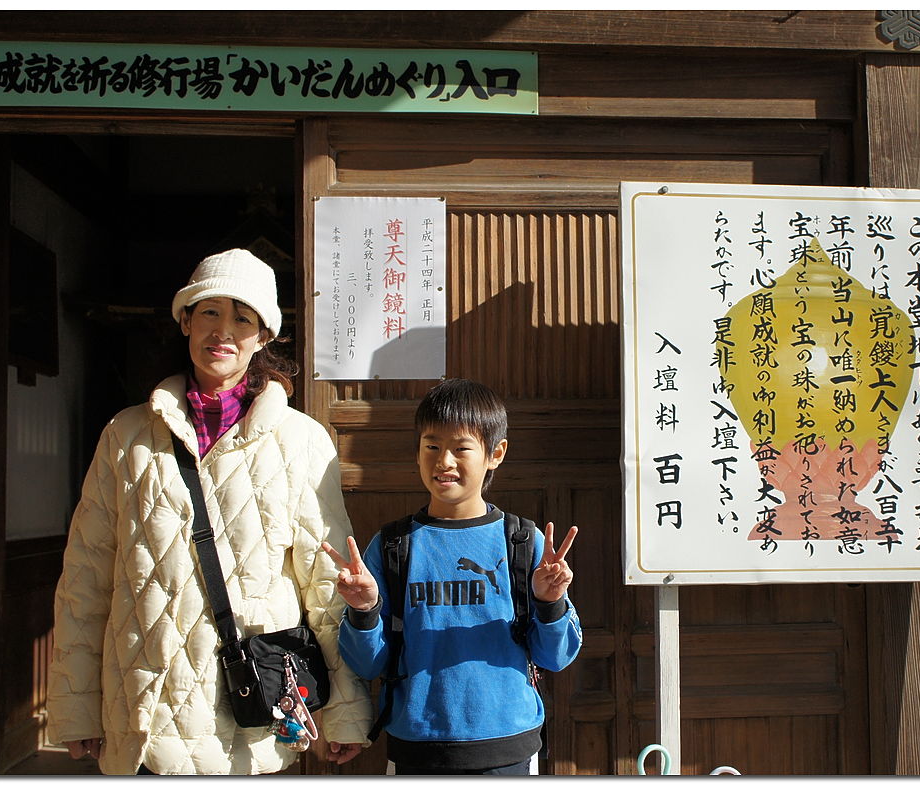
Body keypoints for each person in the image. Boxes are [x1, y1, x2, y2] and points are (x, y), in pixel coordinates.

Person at [46, 248, 371, 773]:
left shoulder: (302, 440)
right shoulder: (126, 436)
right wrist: (76, 710)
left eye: (243, 318)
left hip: (252, 718)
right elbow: (86, 578)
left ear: (265, 336)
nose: (223, 330)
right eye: (208, 312)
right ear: (184, 322)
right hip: (144, 711)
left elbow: (327, 582)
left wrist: (345, 714)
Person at [321, 378, 582, 775]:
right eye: (432, 446)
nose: (444, 461)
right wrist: (363, 611)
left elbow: (556, 657)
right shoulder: (393, 545)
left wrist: (550, 602)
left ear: (495, 453)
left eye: (461, 448)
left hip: (506, 750)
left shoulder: (521, 542)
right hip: (416, 749)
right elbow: (368, 664)